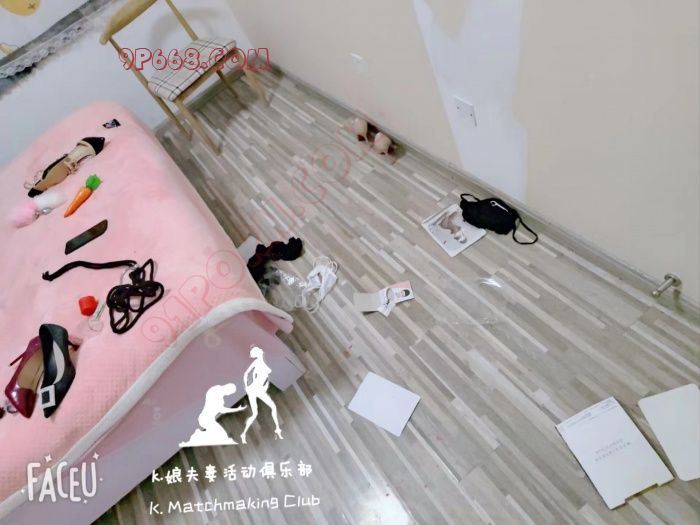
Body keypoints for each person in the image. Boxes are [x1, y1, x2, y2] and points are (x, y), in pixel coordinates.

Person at [240, 346, 283, 443]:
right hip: (255, 389)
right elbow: (246, 373)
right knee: (259, 412)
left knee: (267, 409)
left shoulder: (261, 361)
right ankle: (244, 433)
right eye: (258, 350)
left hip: (258, 389)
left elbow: (263, 378)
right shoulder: (257, 362)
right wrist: (247, 386)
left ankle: (277, 428)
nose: (261, 350)